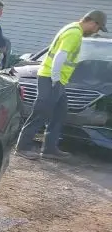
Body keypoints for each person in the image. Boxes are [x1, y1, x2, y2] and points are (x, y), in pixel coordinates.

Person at [15, 10, 107, 160]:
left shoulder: (72, 28)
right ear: (92, 22)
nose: (96, 31)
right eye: (98, 28)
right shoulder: (74, 33)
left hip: (55, 79)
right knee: (41, 112)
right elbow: (60, 56)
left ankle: (49, 149)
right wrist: (55, 79)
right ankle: (22, 147)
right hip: (51, 78)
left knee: (59, 112)